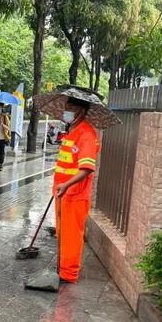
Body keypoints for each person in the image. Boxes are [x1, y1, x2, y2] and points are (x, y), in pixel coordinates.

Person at [53, 98, 100, 284]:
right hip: (63, 193)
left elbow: (87, 168)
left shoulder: (86, 134)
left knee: (71, 235)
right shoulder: (72, 131)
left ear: (81, 110)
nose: (67, 111)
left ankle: (69, 273)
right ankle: (62, 267)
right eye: (66, 107)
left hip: (74, 195)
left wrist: (66, 185)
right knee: (62, 233)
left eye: (71, 108)